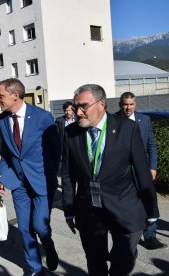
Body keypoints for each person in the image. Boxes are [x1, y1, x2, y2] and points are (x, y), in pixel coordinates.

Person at [61, 84, 160, 276]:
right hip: (89, 210)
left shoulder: (127, 128)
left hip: (123, 207)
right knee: (95, 262)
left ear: (101, 104)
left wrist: (151, 210)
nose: (78, 112)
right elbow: (67, 174)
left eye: (83, 106)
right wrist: (69, 210)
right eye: (76, 107)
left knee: (123, 260)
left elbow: (141, 171)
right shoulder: (70, 133)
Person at [0, 78, 61, 276]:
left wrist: (48, 178)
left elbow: (55, 151)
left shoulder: (43, 118)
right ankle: (35, 268)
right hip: (18, 183)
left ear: (15, 95)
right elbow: (5, 152)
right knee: (25, 228)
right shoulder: (2, 120)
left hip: (41, 182)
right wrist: (3, 176)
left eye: (1, 96)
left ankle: (48, 246)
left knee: (40, 226)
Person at [115, 92, 167, 250]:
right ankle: (128, 234)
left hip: (143, 170)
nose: (128, 108)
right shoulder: (114, 120)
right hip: (122, 171)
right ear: (120, 104)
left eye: (131, 104)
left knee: (148, 201)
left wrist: (153, 167)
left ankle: (150, 236)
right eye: (125, 104)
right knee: (126, 202)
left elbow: (151, 145)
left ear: (135, 104)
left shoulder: (144, 120)